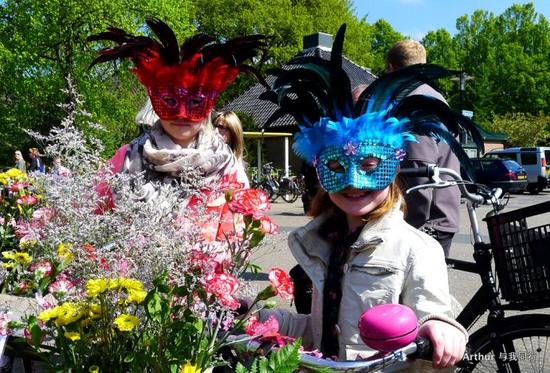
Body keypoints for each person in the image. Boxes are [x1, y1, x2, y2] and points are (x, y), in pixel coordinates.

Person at [258, 24, 480, 369]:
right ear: (319, 169)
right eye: (336, 165)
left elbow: (431, 310)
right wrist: (260, 320)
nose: (353, 180)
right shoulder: (322, 241)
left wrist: (440, 327)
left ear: (394, 169)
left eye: (370, 164)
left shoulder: (418, 250)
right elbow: (319, 335)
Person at [88, 18, 268, 200]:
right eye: (169, 101)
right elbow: (89, 209)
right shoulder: (127, 157)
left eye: (195, 102)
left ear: (209, 104)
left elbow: (243, 222)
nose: (182, 114)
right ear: (153, 98)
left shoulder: (226, 166)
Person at [386, 39, 460, 257]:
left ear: (392, 69)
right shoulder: (434, 96)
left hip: (427, 224)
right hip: (441, 214)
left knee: (416, 291)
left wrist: (408, 226)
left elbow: (419, 170)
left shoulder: (413, 102)